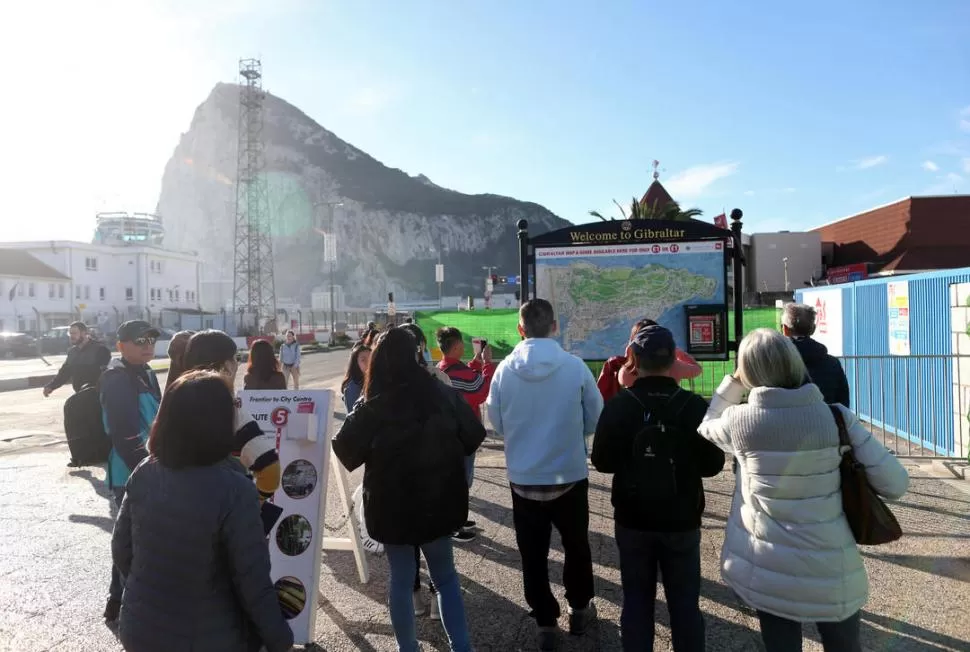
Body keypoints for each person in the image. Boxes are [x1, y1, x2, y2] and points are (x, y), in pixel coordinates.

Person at [697, 328, 909, 652]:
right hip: (831, 565)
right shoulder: (836, 417)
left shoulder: (739, 422)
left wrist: (734, 382)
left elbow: (706, 424)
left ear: (749, 370)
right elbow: (896, 484)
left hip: (769, 567)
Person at [111, 370, 294, 652]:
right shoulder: (235, 489)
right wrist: (280, 640)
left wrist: (147, 592)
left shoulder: (144, 471)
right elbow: (253, 582)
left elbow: (122, 549)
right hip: (210, 637)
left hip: (139, 628)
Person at [333, 328, 486, 652]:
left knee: (401, 581)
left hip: (391, 508)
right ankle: (462, 647)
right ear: (416, 356)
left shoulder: (372, 404)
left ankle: (408, 648)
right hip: (439, 501)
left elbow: (346, 450)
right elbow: (473, 434)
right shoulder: (439, 392)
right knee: (445, 578)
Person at [591, 324, 725, 652]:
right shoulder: (693, 405)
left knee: (636, 603)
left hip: (633, 519)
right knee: (685, 606)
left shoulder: (621, 405)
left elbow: (602, 461)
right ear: (672, 360)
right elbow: (713, 465)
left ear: (634, 358)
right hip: (682, 519)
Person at [485, 299, 603, 651]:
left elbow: (496, 423)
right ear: (555, 326)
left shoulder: (504, 370)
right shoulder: (575, 367)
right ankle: (579, 608)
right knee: (576, 546)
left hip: (523, 477)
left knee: (532, 554)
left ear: (521, 329)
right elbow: (596, 417)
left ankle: (545, 622)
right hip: (568, 473)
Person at [99, 320, 163, 624]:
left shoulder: (147, 372)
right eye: (140, 341)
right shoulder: (117, 377)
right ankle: (121, 603)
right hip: (131, 470)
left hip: (150, 463)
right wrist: (146, 469)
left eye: (151, 340)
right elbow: (123, 433)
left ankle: (120, 600)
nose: (148, 345)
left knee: (136, 538)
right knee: (130, 539)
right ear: (120, 345)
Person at [184, 330, 281, 509]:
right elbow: (270, 469)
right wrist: (253, 504)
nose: (237, 364)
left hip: (176, 511)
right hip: (219, 514)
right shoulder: (229, 410)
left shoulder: (173, 401)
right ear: (225, 366)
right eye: (235, 358)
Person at [436, 326, 496, 543]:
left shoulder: (442, 368)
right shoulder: (459, 373)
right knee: (462, 482)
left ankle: (458, 518)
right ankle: (454, 525)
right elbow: (481, 391)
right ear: (458, 345)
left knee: (457, 479)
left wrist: (475, 363)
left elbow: (467, 378)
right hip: (462, 437)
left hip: (450, 435)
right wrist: (488, 364)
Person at [596, 318, 702, 402]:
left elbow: (622, 378)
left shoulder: (628, 370)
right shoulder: (676, 366)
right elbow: (697, 369)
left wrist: (630, 355)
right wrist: (676, 351)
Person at [782, 302, 851, 406]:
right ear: (813, 329)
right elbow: (843, 404)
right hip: (827, 420)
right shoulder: (833, 364)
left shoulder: (777, 364)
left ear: (785, 329)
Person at [43, 321, 112, 396]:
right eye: (70, 333)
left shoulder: (100, 350)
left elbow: (106, 375)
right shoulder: (72, 352)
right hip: (80, 395)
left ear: (84, 333)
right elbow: (64, 372)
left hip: (98, 395)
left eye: (74, 333)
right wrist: (51, 386)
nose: (71, 336)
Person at [340, 344, 371, 412]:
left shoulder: (373, 379)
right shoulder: (353, 387)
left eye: (371, 358)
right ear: (356, 363)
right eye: (363, 360)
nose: (368, 362)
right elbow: (353, 416)